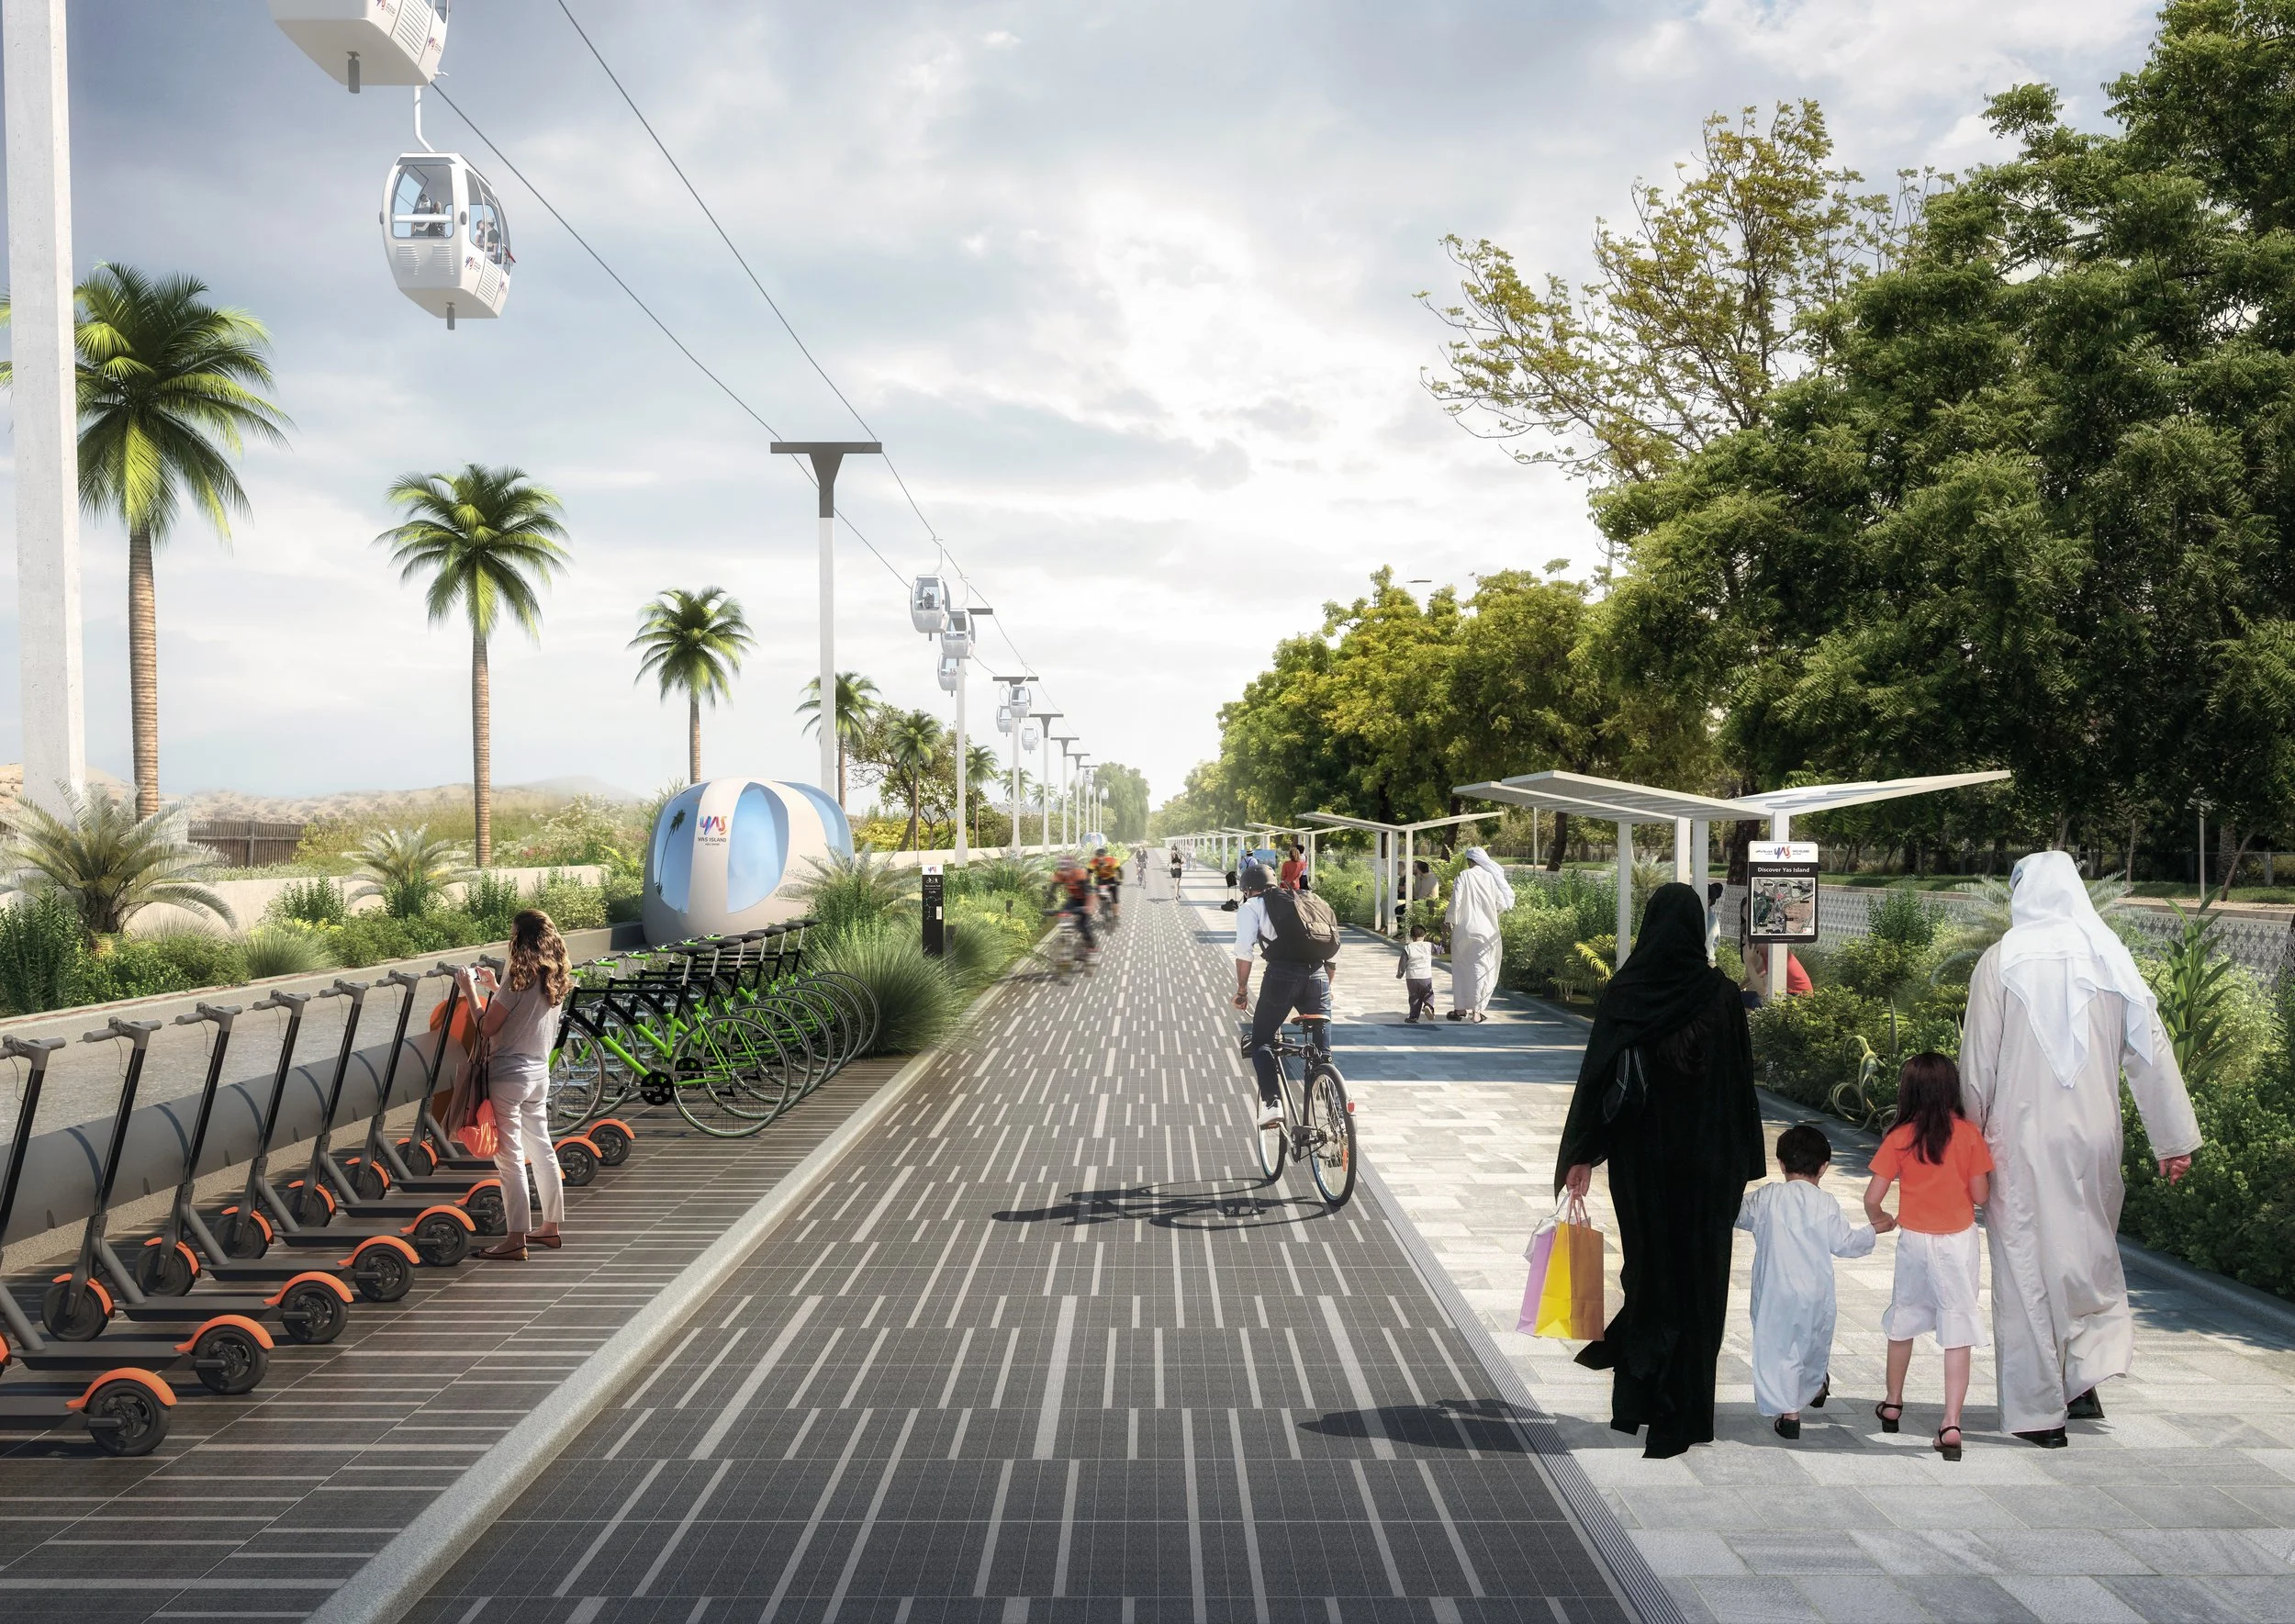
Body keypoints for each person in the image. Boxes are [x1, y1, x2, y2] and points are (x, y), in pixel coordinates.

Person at [1959, 850, 2200, 1447]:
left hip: (2021, 1139)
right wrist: (2173, 1140)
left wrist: (1967, 1144)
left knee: (2026, 1267)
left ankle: (2042, 1408)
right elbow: (2153, 1053)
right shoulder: (2111, 955)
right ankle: (2082, 1376)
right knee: (2083, 1254)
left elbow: (1977, 1065)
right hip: (2095, 1138)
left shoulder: (2001, 959)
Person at [1558, 882, 1766, 1459]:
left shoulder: (1627, 992)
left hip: (1642, 1167)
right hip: (1706, 1169)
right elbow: (1738, 1084)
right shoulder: (1719, 995)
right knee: (1699, 1282)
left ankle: (1639, 1403)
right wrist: (1743, 1163)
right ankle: (1689, 1411)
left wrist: (1582, 1154)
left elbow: (1598, 1079)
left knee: (1649, 1274)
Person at [1865, 1052, 1994, 1462]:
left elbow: (1873, 1197)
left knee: (1903, 1317)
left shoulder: (1900, 1135)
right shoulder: (1969, 1135)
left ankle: (1892, 1403)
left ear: (1909, 1091)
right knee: (1957, 1325)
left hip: (1914, 1240)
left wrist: (1881, 1218)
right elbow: (1981, 1196)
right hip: (1957, 1240)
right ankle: (1951, 1423)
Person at [1737, 1124, 1878, 1439]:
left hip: (1775, 1289)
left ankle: (1790, 1414)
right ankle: (1814, 1385)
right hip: (1815, 1291)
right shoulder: (1825, 1202)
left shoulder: (1767, 1198)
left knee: (1778, 1348)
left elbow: (1734, 1212)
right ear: (1824, 1167)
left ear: (1782, 1164)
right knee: (1812, 1343)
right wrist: (1873, 1231)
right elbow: (1845, 1243)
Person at [457, 910, 571, 1262]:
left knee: (509, 1160)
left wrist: (470, 992)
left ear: (518, 938)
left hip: (509, 1076)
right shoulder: (556, 977)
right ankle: (550, 1228)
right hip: (539, 1076)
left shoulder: (517, 980)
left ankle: (515, 1238)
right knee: (542, 1149)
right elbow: (526, 1014)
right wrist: (494, 987)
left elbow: (487, 1027)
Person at [1231, 862, 1340, 1135]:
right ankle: (1336, 1115)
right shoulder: (1303, 901)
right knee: (1323, 1056)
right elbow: (1332, 950)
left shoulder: (1251, 907)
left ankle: (1272, 1104)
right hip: (1318, 976)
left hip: (1282, 977)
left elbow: (1245, 952)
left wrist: (1242, 991)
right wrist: (1325, 987)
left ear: (1247, 889)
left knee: (1261, 1041)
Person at [1446, 848, 1514, 1022]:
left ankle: (1460, 1009)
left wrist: (1449, 920)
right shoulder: (1491, 878)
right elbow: (1502, 903)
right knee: (1481, 969)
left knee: (1461, 968)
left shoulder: (1464, 876)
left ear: (1470, 861)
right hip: (1487, 930)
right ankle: (1477, 1012)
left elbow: (1456, 899)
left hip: (1464, 929)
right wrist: (1491, 914)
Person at [1051, 856, 1099, 957]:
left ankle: (1092, 948)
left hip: (1087, 898)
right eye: (1062, 869)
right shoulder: (1059, 874)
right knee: (1063, 916)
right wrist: (1046, 907)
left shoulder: (1079, 874)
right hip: (1074, 898)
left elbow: (1088, 891)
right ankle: (1068, 940)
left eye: (1066, 869)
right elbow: (1051, 891)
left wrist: (1088, 908)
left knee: (1083, 926)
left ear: (1072, 868)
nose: (1064, 872)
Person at [1397, 924, 1437, 1024]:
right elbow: (1440, 950)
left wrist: (1400, 974)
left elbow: (1403, 962)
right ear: (1424, 935)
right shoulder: (1429, 945)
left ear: (1411, 937)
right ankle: (1428, 1006)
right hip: (1425, 976)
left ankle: (1413, 1017)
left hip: (1411, 977)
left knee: (1414, 997)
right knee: (1428, 993)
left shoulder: (1408, 947)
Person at [1089, 846, 1123, 923]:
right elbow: (1089, 873)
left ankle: (1116, 915)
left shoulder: (1112, 860)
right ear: (1096, 856)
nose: (1100, 858)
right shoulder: (1093, 862)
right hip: (1100, 880)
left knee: (1115, 898)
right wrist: (1088, 883)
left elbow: (1119, 870)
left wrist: (1120, 880)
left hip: (1112, 879)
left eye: (1102, 856)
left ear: (1105, 855)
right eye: (1098, 856)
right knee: (1098, 894)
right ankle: (1102, 904)